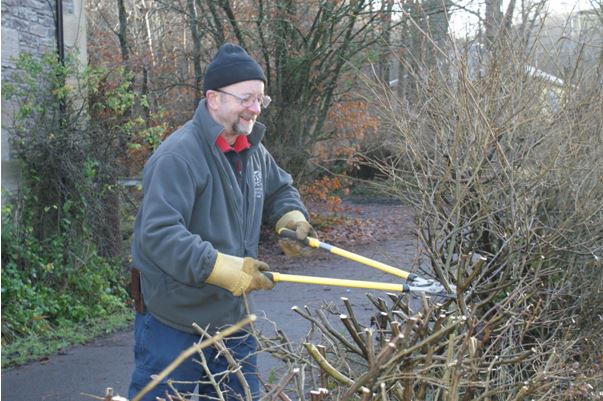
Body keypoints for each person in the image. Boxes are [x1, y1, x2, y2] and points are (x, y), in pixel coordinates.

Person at [128, 43, 316, 401]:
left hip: (234, 322)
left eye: (261, 99)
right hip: (175, 323)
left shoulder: (253, 149)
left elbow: (280, 190)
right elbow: (160, 235)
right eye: (246, 98)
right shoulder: (178, 157)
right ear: (214, 99)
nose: (256, 108)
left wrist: (291, 218)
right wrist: (221, 268)